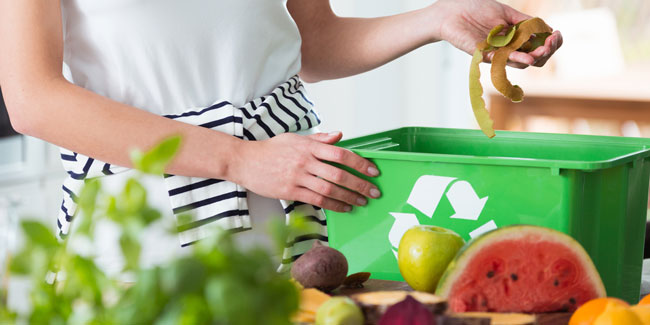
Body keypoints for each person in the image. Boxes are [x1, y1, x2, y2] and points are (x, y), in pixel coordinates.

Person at [0, 0, 562, 272]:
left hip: (289, 206)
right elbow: (32, 98)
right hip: (147, 226)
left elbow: (313, 43)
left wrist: (437, 20)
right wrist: (237, 159)